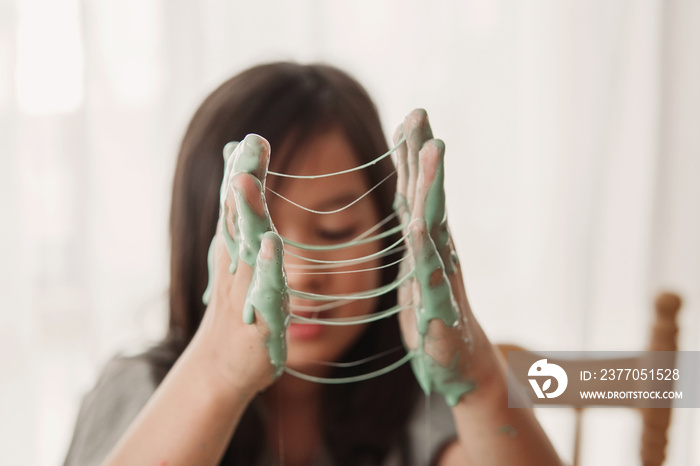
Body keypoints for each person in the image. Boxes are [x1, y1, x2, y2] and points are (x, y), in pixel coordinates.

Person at [63, 62, 562, 466]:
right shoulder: (142, 389)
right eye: (261, 237)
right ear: (205, 245)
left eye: (335, 231)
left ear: (391, 226)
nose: (299, 275)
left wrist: (479, 383)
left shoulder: (418, 400)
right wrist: (217, 372)